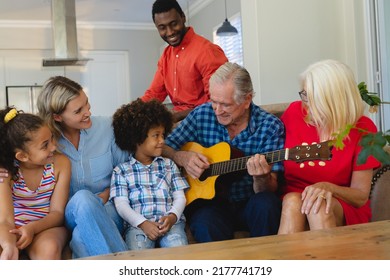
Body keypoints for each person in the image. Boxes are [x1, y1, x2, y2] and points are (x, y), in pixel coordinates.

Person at [162, 62, 285, 243]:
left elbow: (270, 188)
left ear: (247, 100)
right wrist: (180, 156)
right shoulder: (201, 115)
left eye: (225, 105)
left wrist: (261, 178)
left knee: (267, 205)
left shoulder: (270, 126)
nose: (217, 111)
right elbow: (162, 148)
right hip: (210, 204)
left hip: (250, 201)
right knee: (204, 223)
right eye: (214, 101)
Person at [277, 59, 381, 234]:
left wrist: (328, 187)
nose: (304, 103)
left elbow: (360, 196)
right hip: (295, 198)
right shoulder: (294, 113)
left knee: (319, 207)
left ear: (331, 100)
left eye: (310, 98)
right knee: (292, 202)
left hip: (341, 204)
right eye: (303, 94)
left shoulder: (364, 129)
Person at [36, 76, 128, 258]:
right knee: (84, 199)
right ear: (57, 117)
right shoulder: (46, 144)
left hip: (109, 209)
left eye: (86, 103)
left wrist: (108, 193)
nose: (88, 112)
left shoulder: (107, 128)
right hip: (70, 214)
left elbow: (127, 171)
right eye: (79, 110)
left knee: (80, 238)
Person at [110, 99, 189, 250]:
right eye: (156, 135)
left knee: (179, 251)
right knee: (138, 255)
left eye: (163, 134)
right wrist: (143, 223)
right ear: (137, 138)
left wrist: (172, 217)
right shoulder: (121, 171)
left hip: (171, 225)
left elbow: (180, 197)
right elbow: (121, 205)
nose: (162, 141)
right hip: (138, 228)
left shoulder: (169, 165)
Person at [0, 107, 70, 260]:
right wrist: (8, 245)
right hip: (12, 228)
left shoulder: (61, 164)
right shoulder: (6, 172)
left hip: (46, 227)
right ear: (23, 156)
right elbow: (5, 220)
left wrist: (31, 228)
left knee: (50, 248)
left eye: (52, 138)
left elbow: (57, 213)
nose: (53, 146)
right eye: (45, 145)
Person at [142, 0, 228, 122]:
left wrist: (178, 115)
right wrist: (132, 112)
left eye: (173, 24)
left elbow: (219, 101)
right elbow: (153, 95)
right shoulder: (166, 56)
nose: (170, 32)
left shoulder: (206, 51)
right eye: (162, 28)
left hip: (206, 121)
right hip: (180, 120)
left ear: (183, 17)